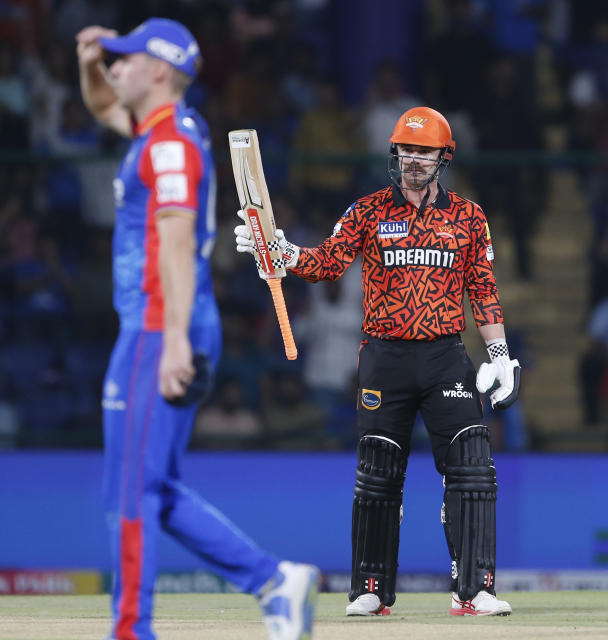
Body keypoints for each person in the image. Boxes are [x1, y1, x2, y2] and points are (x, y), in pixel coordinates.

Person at [76, 19, 317, 640]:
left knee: (128, 493)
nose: (115, 67)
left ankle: (132, 630)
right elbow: (103, 103)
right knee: (150, 485)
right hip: (164, 322)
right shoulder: (162, 132)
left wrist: (174, 337)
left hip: (161, 323)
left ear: (158, 70)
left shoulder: (169, 147)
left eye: (125, 59)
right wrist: (87, 64)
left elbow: (178, 246)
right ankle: (273, 582)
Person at [236, 106, 520, 617]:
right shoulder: (367, 211)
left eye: (423, 152)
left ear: (443, 157)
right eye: (405, 150)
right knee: (378, 474)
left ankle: (474, 589)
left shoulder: (468, 217)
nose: (412, 160)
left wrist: (500, 355)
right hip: (384, 358)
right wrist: (280, 252)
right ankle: (370, 587)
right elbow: (325, 263)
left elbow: (483, 289)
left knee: (474, 468)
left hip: (445, 357)